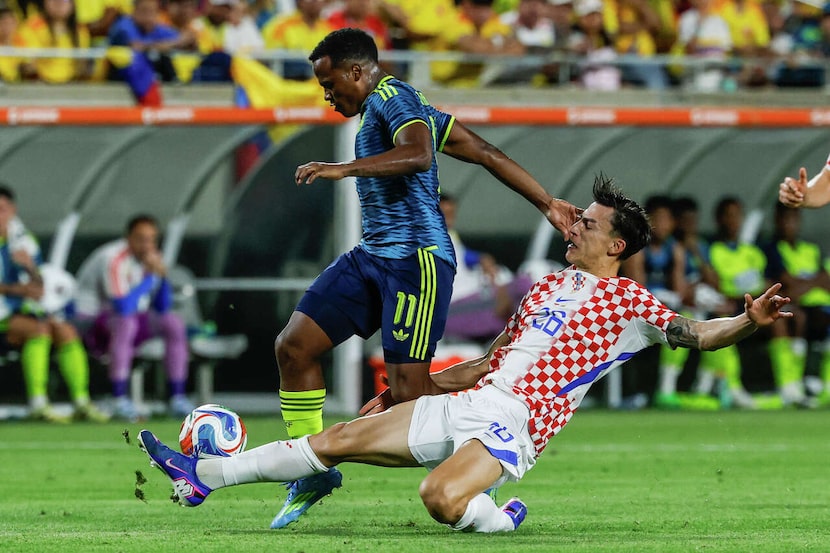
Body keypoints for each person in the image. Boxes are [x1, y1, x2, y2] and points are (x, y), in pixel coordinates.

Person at [137, 176, 792, 533]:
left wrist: (748, 320)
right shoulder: (545, 285)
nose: (575, 225)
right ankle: (203, 477)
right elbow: (494, 359)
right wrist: (423, 387)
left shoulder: (631, 304)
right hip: (476, 398)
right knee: (336, 437)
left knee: (439, 499)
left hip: (516, 425)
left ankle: (495, 515)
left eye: (588, 223)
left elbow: (698, 333)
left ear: (617, 245)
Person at [271, 28, 580, 529]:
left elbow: (417, 154)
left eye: (330, 84)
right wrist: (547, 202)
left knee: (409, 397)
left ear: (357, 71)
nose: (327, 95)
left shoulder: (397, 97)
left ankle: (486, 448)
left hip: (417, 261)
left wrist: (341, 168)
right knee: (294, 346)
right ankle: (311, 472)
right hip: (373, 256)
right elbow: (480, 149)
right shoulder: (396, 107)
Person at [0, 185, 108, 423]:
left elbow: (38, 287)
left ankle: (82, 402)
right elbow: (21, 289)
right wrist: (16, 289)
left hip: (18, 312)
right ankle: (38, 403)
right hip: (5, 316)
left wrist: (28, 267)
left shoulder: (22, 240)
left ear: (12, 210)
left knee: (66, 330)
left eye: (2, 210)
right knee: (39, 329)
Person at [74, 214, 193, 421]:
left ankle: (177, 398)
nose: (147, 245)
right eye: (141, 239)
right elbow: (122, 307)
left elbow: (162, 307)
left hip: (126, 320)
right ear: (128, 238)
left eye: (151, 239)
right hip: (89, 322)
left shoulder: (152, 258)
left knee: (173, 323)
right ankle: (118, 398)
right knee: (126, 324)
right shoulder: (113, 258)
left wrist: (161, 277)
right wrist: (150, 278)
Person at [761, 202, 830, 407]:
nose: (789, 224)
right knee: (795, 317)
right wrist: (814, 281)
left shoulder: (811, 248)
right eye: (785, 219)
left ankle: (826, 387)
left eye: (793, 219)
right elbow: (786, 284)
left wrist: (804, 283)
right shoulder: (772, 249)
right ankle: (790, 386)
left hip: (820, 305)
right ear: (777, 221)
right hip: (793, 304)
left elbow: (826, 279)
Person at [439, 193, 532, 343]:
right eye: (445, 214)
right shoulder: (422, 241)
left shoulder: (449, 236)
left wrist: (483, 261)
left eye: (452, 214)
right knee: (521, 289)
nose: (450, 219)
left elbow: (467, 257)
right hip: (454, 309)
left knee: (522, 297)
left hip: (474, 299)